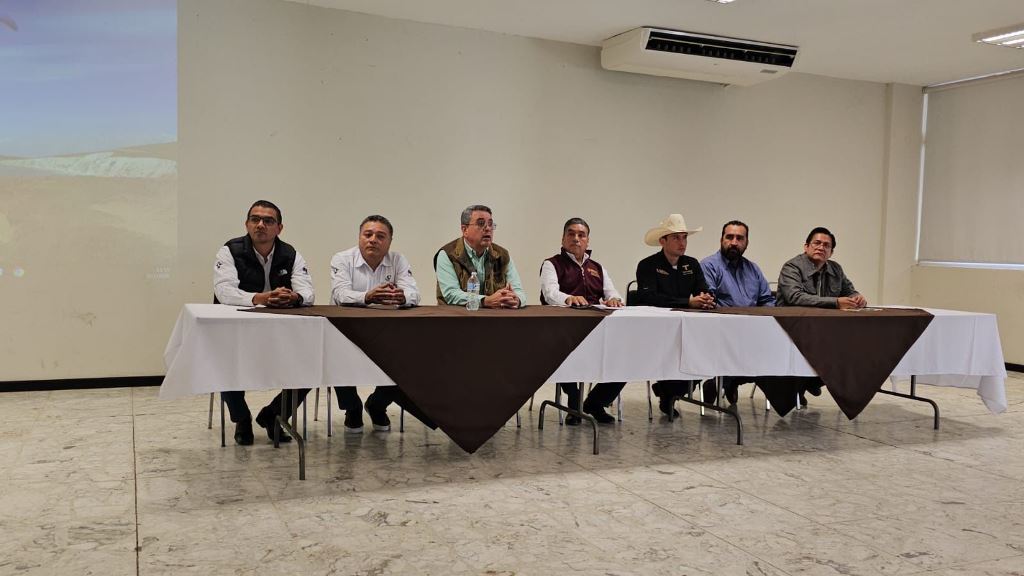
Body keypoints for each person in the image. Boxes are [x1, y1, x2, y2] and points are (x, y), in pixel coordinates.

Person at [213, 200, 314, 445]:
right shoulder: (230, 250)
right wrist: (261, 298)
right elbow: (224, 292)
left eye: (268, 221)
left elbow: (308, 293)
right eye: (255, 219)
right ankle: (242, 419)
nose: (260, 225)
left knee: (312, 364)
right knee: (223, 363)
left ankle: (274, 415)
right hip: (236, 329)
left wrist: (294, 297)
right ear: (246, 224)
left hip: (279, 330)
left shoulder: (291, 254)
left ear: (279, 228)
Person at [539, 217, 625, 424]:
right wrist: (568, 298)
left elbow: (612, 292)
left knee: (625, 354)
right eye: (571, 234)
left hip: (597, 328)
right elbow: (550, 293)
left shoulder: (597, 267)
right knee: (564, 349)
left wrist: (614, 299)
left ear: (587, 240)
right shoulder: (551, 264)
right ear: (563, 239)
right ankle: (574, 400)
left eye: (581, 235)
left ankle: (595, 403)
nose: (576, 238)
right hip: (563, 330)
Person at [635, 213, 715, 417]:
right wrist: (687, 302)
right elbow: (648, 297)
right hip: (656, 328)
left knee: (707, 352)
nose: (682, 243)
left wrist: (706, 298)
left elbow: (702, 289)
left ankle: (668, 391)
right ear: (663, 241)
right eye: (676, 238)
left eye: (685, 237)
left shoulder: (692, 264)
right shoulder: (647, 265)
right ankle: (669, 392)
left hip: (687, 327)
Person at [776, 226, 867, 404]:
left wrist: (857, 298)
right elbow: (795, 297)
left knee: (855, 347)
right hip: (793, 329)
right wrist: (835, 302)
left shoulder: (836, 269)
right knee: (833, 349)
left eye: (826, 245)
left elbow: (849, 291)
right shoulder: (792, 267)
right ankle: (804, 382)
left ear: (831, 252)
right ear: (806, 246)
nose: (821, 247)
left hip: (823, 330)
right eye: (816, 243)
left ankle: (810, 381)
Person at [699, 220, 775, 405]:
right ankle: (729, 381)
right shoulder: (709, 265)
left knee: (777, 346)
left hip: (753, 328)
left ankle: (725, 381)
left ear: (746, 243)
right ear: (721, 239)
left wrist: (764, 321)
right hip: (722, 328)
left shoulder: (753, 269)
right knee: (753, 348)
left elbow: (767, 300)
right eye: (729, 237)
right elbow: (709, 301)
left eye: (740, 238)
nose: (734, 242)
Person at [435, 204, 526, 308]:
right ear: (465, 230)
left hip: (494, 316)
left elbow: (518, 291)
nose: (488, 228)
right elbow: (451, 294)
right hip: (456, 316)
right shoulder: (447, 254)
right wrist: (485, 301)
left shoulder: (502, 255)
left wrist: (515, 300)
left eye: (490, 224)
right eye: (481, 223)